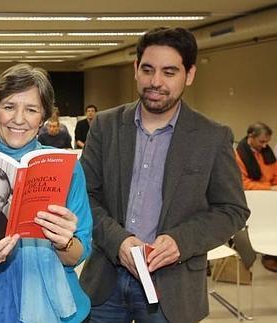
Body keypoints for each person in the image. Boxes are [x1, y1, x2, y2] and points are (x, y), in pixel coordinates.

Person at [79, 27, 249, 323]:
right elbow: (84, 196)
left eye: (169, 72)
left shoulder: (212, 136)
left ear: (190, 74)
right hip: (104, 282)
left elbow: (232, 210)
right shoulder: (105, 126)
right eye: (148, 70)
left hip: (173, 288)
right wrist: (118, 241)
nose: (155, 82)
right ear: (136, 69)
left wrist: (180, 241)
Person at [0, 64, 93, 323]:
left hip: (56, 308)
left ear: (44, 117)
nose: (19, 119)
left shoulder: (68, 169)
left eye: (32, 109)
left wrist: (63, 242)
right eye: (9, 106)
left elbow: (80, 253)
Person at [234, 122, 277, 272]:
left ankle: (272, 255)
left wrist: (273, 188)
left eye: (267, 142)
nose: (265, 146)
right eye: (262, 141)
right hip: (252, 199)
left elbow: (275, 176)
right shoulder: (238, 154)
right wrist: (269, 188)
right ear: (251, 136)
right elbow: (243, 183)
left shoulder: (267, 152)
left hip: (270, 197)